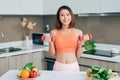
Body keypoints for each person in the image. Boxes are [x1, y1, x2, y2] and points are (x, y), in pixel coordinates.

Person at [44, 5, 84, 71]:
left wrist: (81, 44)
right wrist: (50, 42)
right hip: (58, 67)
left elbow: (78, 55)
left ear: (71, 16)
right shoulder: (53, 32)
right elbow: (52, 54)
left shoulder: (78, 32)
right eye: (62, 15)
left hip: (73, 67)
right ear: (59, 18)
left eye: (68, 14)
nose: (65, 18)